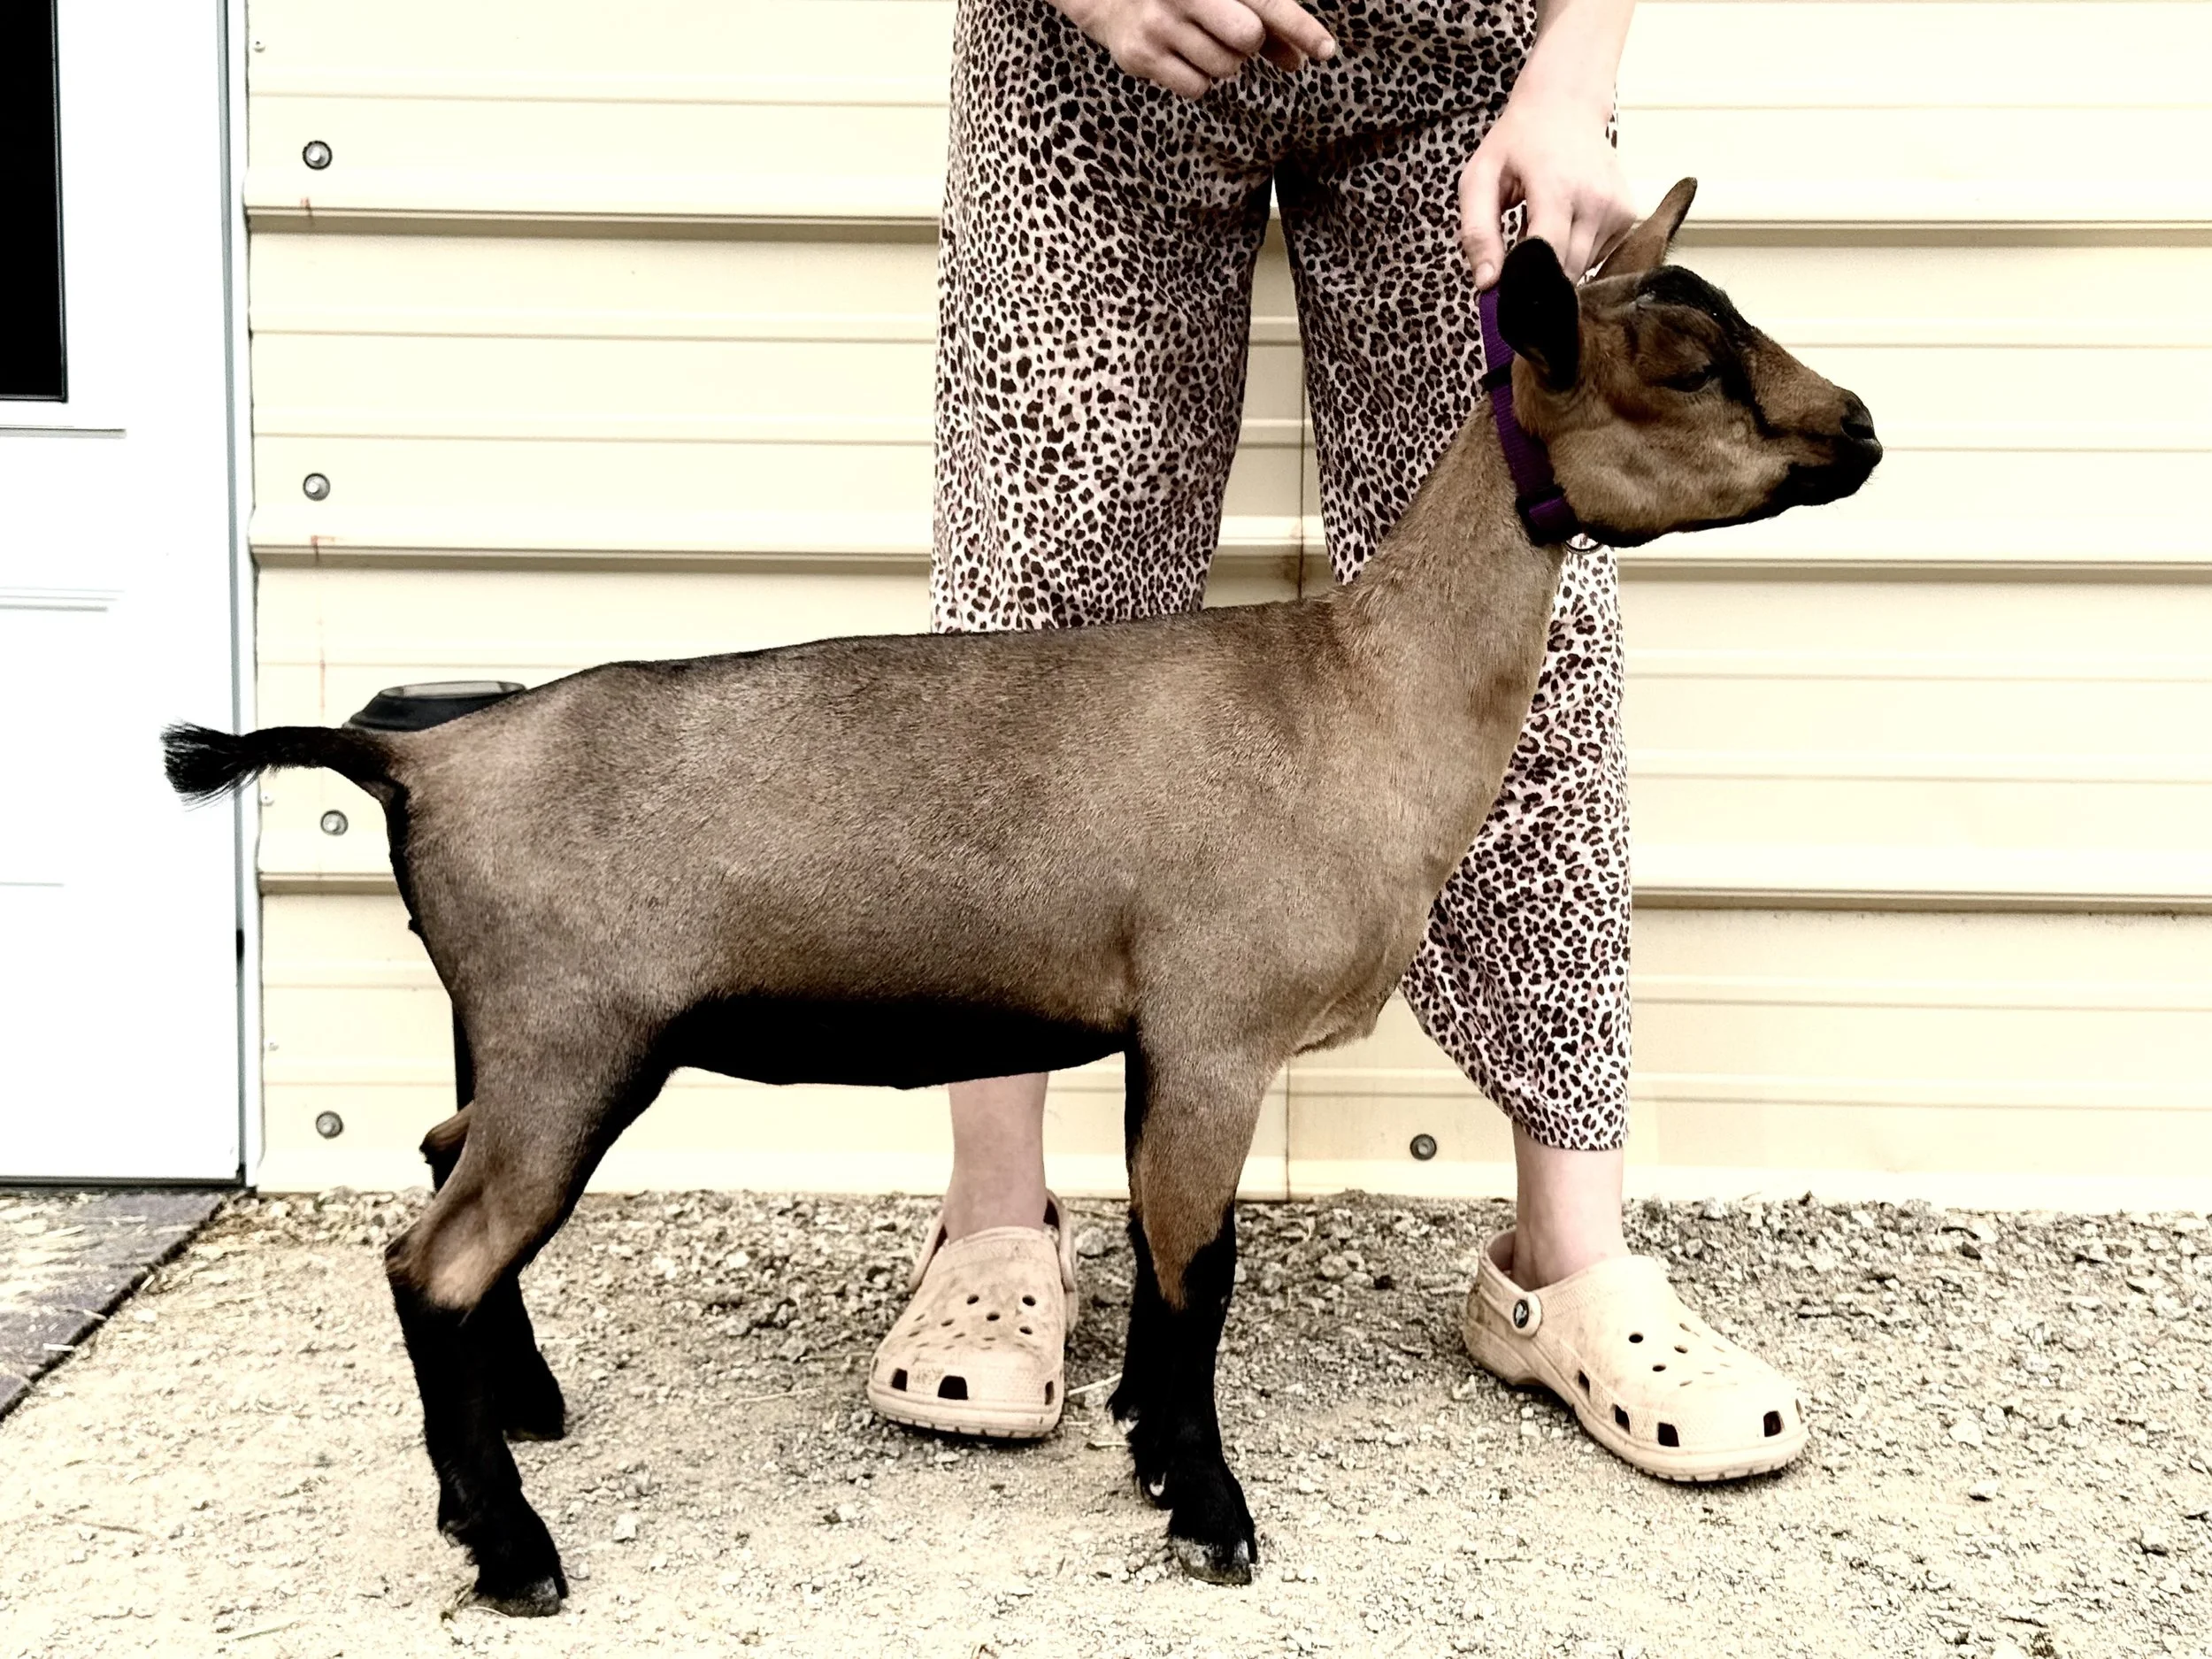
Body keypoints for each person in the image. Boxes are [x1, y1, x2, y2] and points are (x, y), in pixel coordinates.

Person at [868, 0, 1807, 1479]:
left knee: (1518, 620)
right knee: (1036, 619)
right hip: (1094, 64)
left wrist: (1577, 68)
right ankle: (995, 1216)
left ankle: (1565, 1254)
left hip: (1463, 59)